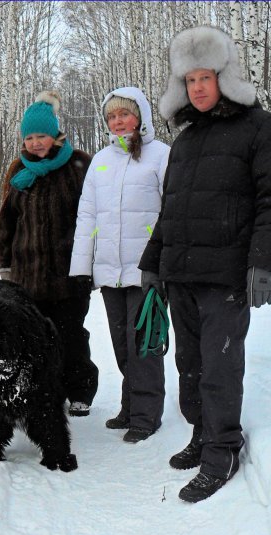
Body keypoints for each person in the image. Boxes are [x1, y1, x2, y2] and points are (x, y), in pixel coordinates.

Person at [138, 26, 271, 502]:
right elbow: (172, 209)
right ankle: (202, 433)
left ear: (225, 78)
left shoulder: (261, 128)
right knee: (189, 363)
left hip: (227, 274)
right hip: (181, 272)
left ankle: (223, 448)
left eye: (206, 77)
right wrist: (152, 263)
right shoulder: (185, 140)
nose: (198, 88)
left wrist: (263, 264)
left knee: (220, 366)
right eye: (190, 80)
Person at [70, 87, 170, 443]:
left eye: (124, 114)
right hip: (110, 270)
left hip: (147, 269)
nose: (118, 121)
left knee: (144, 344)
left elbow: (171, 214)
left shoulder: (161, 156)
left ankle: (146, 415)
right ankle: (130, 406)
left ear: (140, 116)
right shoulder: (101, 161)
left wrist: (162, 265)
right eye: (112, 117)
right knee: (122, 344)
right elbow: (87, 216)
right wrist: (82, 269)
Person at [0, 90, 98, 417]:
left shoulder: (79, 166)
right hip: (27, 277)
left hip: (70, 274)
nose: (36, 143)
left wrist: (93, 262)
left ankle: (79, 391)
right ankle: (44, 392)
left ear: (55, 135)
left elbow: (95, 216)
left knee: (71, 335)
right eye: (30, 137)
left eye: (42, 136)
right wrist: (4, 262)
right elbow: (6, 221)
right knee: (34, 340)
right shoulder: (17, 172)